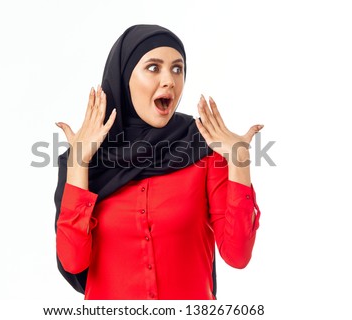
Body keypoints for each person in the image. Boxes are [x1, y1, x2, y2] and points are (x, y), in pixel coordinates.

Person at [54, 24, 263, 300]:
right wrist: (79, 163)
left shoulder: (203, 147)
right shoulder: (87, 160)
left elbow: (237, 255)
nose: (170, 81)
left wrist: (240, 162)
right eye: (154, 68)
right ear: (125, 77)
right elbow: (73, 262)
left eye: (177, 69)